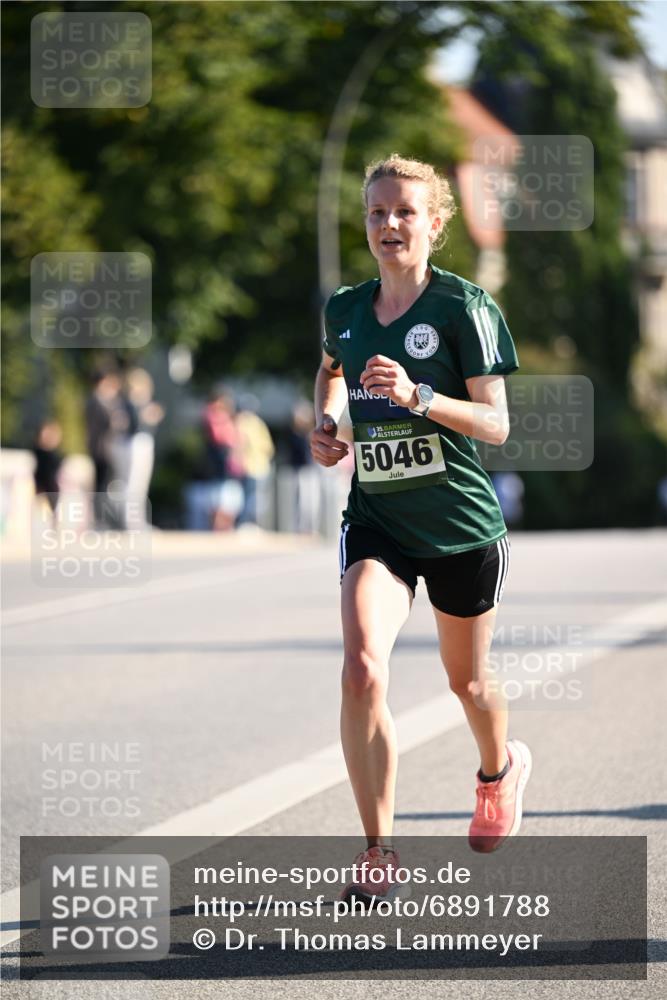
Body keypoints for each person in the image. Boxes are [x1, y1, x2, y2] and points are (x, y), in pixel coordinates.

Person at [310, 155, 531, 905]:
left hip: (461, 527)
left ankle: (497, 770)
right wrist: (326, 425)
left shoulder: (463, 308)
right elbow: (331, 371)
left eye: (404, 212)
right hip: (379, 522)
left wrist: (416, 395)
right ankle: (378, 852)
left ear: (434, 223)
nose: (389, 225)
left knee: (465, 683)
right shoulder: (344, 306)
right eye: (376, 213)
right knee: (361, 668)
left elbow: (497, 425)